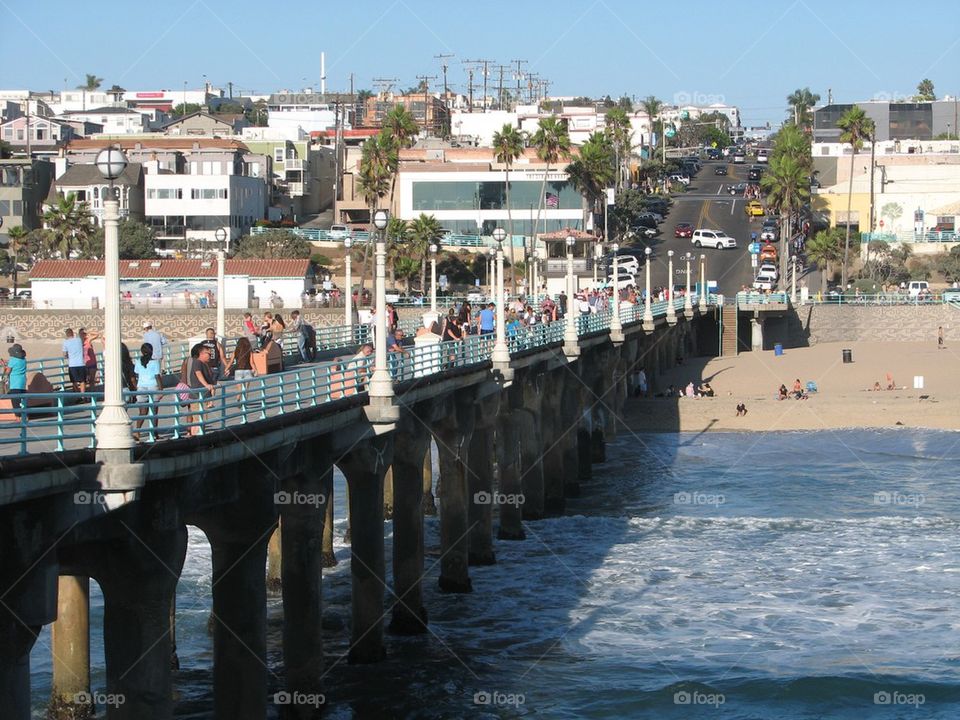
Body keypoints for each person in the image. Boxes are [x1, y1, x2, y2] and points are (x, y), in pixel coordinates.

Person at [133, 343, 162, 440]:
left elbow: (137, 374)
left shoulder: (138, 361)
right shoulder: (155, 362)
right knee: (154, 412)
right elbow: (157, 376)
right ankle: (154, 433)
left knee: (142, 412)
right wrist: (161, 389)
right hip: (153, 386)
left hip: (141, 386)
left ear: (142, 351)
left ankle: (137, 432)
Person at [3, 344, 27, 415]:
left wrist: (5, 366)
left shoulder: (12, 360)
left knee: (15, 401)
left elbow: (8, 371)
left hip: (15, 383)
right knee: (22, 401)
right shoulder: (24, 360)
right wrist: (7, 362)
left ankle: (18, 418)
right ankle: (25, 416)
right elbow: (15, 363)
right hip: (22, 383)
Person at [62, 328, 87, 392]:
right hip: (81, 363)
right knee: (82, 381)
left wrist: (68, 356)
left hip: (72, 364)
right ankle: (83, 396)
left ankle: (77, 396)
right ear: (72, 333)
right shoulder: (79, 340)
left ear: (66, 335)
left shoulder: (65, 342)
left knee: (74, 381)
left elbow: (65, 354)